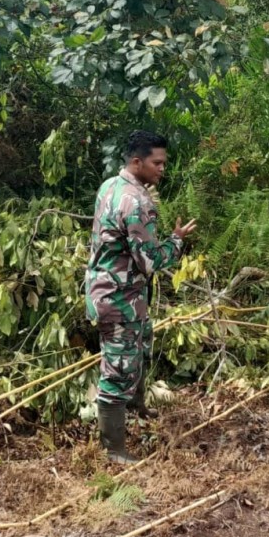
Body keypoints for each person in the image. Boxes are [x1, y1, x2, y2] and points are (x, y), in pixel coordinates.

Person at [85, 130, 197, 463]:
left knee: (134, 352)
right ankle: (113, 450)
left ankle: (135, 411)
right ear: (137, 162)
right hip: (120, 298)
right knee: (118, 368)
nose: (162, 169)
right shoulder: (136, 201)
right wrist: (176, 241)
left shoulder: (110, 186)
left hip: (107, 291)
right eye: (157, 163)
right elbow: (149, 261)